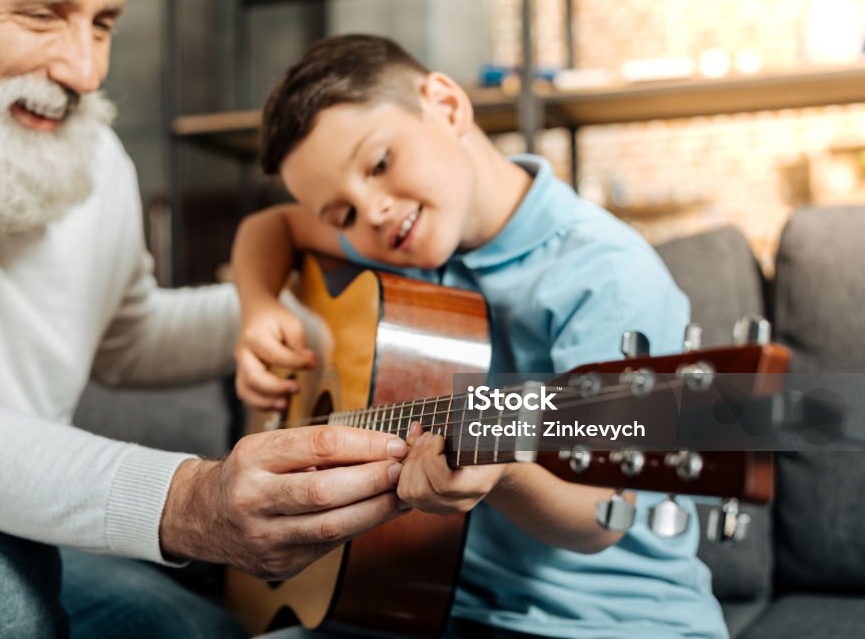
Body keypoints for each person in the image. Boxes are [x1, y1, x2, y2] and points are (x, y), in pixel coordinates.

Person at [0, 0, 410, 637]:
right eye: (42, 16)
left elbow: (129, 338)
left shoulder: (92, 153)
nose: (85, 72)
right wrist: (190, 501)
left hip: (5, 529)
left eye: (104, 22)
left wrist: (278, 310)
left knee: (207, 633)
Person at [230, 34, 727, 638]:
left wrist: (502, 473)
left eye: (379, 163)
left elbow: (604, 514)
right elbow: (270, 226)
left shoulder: (606, 276)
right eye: (342, 216)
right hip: (424, 604)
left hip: (600, 622)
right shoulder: (402, 248)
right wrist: (257, 309)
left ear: (444, 104)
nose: (374, 213)